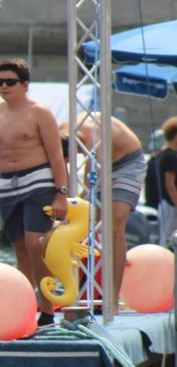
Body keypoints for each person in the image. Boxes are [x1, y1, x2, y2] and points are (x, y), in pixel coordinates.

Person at [0, 58, 70, 326]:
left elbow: (56, 156)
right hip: (8, 185)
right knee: (19, 247)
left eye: (10, 82)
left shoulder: (39, 112)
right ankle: (27, 305)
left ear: (25, 84)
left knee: (35, 244)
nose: (4, 86)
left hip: (38, 181)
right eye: (0, 82)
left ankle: (48, 307)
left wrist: (61, 193)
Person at [58, 113, 147, 311]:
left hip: (127, 164)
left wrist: (76, 202)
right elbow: (61, 170)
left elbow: (90, 179)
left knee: (114, 225)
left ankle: (112, 299)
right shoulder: (61, 130)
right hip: (101, 165)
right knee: (77, 226)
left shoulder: (93, 137)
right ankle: (77, 291)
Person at [156, 117, 177, 247]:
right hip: (171, 205)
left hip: (168, 204)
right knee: (167, 240)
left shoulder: (165, 153)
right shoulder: (170, 156)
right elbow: (170, 185)